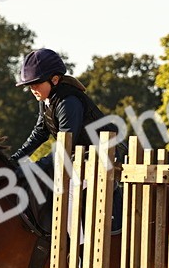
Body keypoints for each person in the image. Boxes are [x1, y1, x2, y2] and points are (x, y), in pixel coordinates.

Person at [10, 48, 119, 176]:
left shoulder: (68, 103)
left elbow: (64, 148)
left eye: (37, 83)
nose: (32, 89)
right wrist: (14, 160)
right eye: (30, 85)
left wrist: (30, 169)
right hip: (85, 160)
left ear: (54, 80)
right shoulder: (47, 100)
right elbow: (40, 133)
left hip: (105, 161)